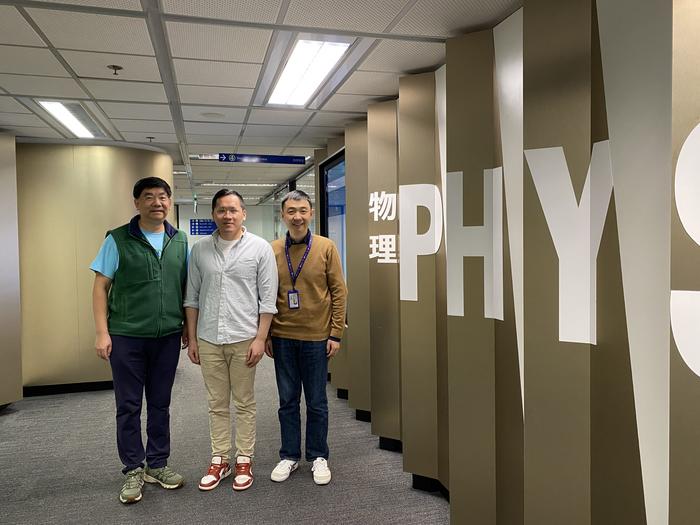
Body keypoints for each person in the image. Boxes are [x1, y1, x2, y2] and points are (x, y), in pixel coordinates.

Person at [91, 177, 188, 504]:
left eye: (162, 197)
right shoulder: (117, 239)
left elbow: (185, 289)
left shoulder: (180, 241)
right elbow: (100, 287)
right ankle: (133, 467)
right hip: (127, 336)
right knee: (129, 405)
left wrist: (187, 327)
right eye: (149, 197)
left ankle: (157, 464)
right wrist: (102, 332)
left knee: (161, 403)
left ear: (169, 202)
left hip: (168, 337)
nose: (157, 203)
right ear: (137, 203)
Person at [184, 189, 278, 492]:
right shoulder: (199, 250)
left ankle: (244, 459)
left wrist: (260, 338)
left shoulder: (260, 249)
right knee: (216, 403)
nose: (228, 216)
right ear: (213, 214)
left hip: (244, 338)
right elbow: (192, 297)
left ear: (243, 214)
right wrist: (194, 338)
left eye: (233, 210)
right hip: (209, 337)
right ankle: (220, 458)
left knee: (244, 401)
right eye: (222, 210)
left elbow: (268, 299)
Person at [265, 190, 347, 486]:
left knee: (316, 401)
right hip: (283, 336)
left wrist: (335, 333)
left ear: (310, 213)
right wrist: (267, 334)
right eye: (291, 211)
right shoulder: (272, 249)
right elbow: (265, 295)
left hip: (316, 337)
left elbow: (339, 292)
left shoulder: (326, 247)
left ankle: (317, 456)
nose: (297, 216)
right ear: (283, 215)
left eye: (302, 210)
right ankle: (289, 455)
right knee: (287, 400)